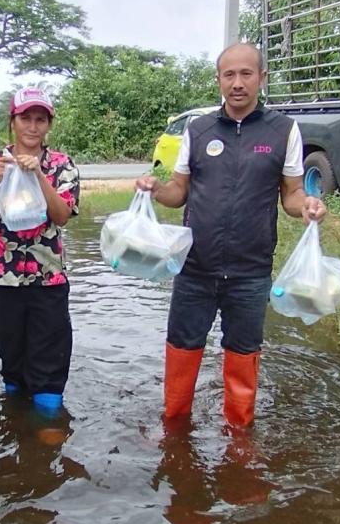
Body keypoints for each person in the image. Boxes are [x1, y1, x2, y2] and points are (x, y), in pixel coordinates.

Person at [135, 43, 327, 427]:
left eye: (246, 74)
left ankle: (239, 437)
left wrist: (307, 204)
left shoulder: (283, 130)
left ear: (261, 78)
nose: (237, 83)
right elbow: (179, 192)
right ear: (219, 79)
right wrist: (155, 189)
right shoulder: (198, 129)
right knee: (182, 347)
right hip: (195, 267)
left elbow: (290, 194)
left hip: (251, 271)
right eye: (229, 75)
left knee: (243, 353)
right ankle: (174, 426)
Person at [0, 87, 80, 416]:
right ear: (12, 122)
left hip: (48, 281)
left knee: (49, 366)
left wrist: (39, 176)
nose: (33, 126)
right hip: (2, 280)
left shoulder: (61, 165)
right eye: (25, 118)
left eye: (40, 119)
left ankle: (47, 431)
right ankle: (15, 422)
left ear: (48, 125)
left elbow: (61, 216)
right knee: (12, 362)